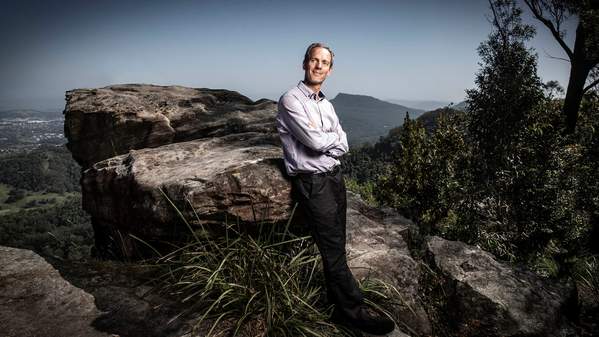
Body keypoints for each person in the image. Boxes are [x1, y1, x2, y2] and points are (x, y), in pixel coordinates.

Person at [276, 42, 395, 336]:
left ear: (330, 70)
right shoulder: (290, 100)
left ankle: (337, 304)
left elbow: (344, 143)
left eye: (324, 62)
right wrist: (329, 140)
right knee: (333, 252)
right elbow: (317, 144)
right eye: (314, 60)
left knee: (337, 246)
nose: (318, 66)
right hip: (313, 183)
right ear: (305, 63)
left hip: (334, 178)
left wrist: (328, 140)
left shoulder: (326, 105)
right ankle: (354, 313)